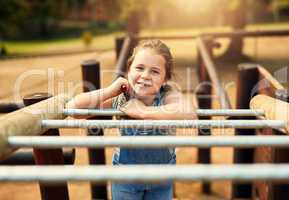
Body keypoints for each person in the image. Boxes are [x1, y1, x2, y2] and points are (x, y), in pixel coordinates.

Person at [66, 39, 197, 200]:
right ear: (129, 71)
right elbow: (74, 109)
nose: (145, 76)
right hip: (126, 177)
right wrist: (108, 91)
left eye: (155, 71)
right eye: (139, 68)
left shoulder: (168, 95)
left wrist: (143, 112)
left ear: (165, 79)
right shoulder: (122, 98)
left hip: (162, 176)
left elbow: (190, 113)